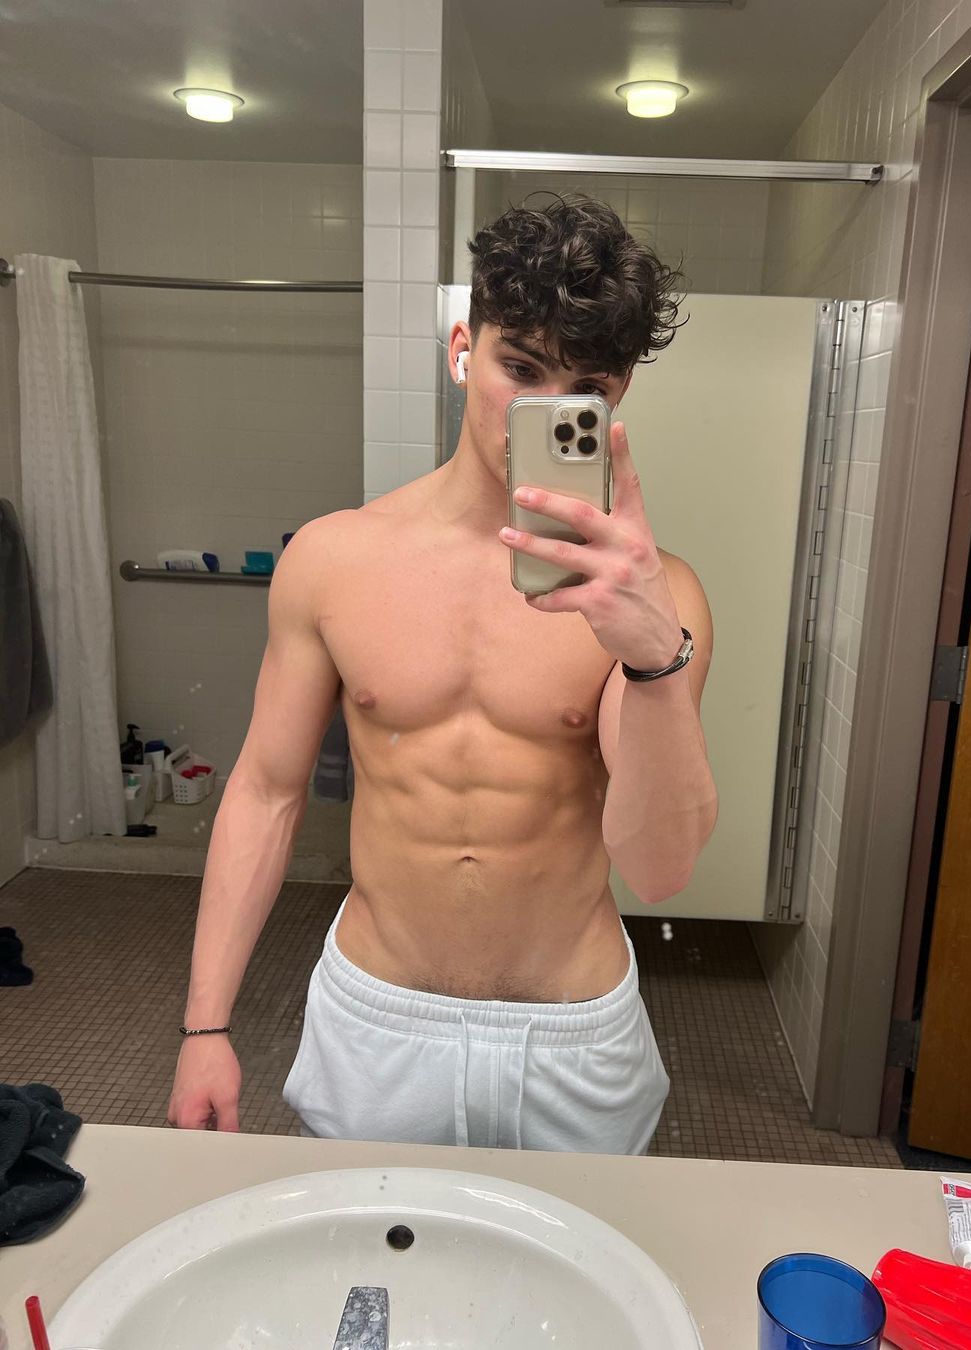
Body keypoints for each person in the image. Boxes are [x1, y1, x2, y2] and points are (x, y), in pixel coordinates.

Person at [167, 195, 718, 1154]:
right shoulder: (334, 559)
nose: (540, 407)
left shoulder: (656, 599)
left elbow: (660, 870)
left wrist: (651, 658)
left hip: (573, 1030)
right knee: (366, 1254)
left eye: (583, 384)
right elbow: (264, 792)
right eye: (521, 368)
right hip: (378, 1020)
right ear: (463, 350)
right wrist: (204, 1026)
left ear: (617, 395)